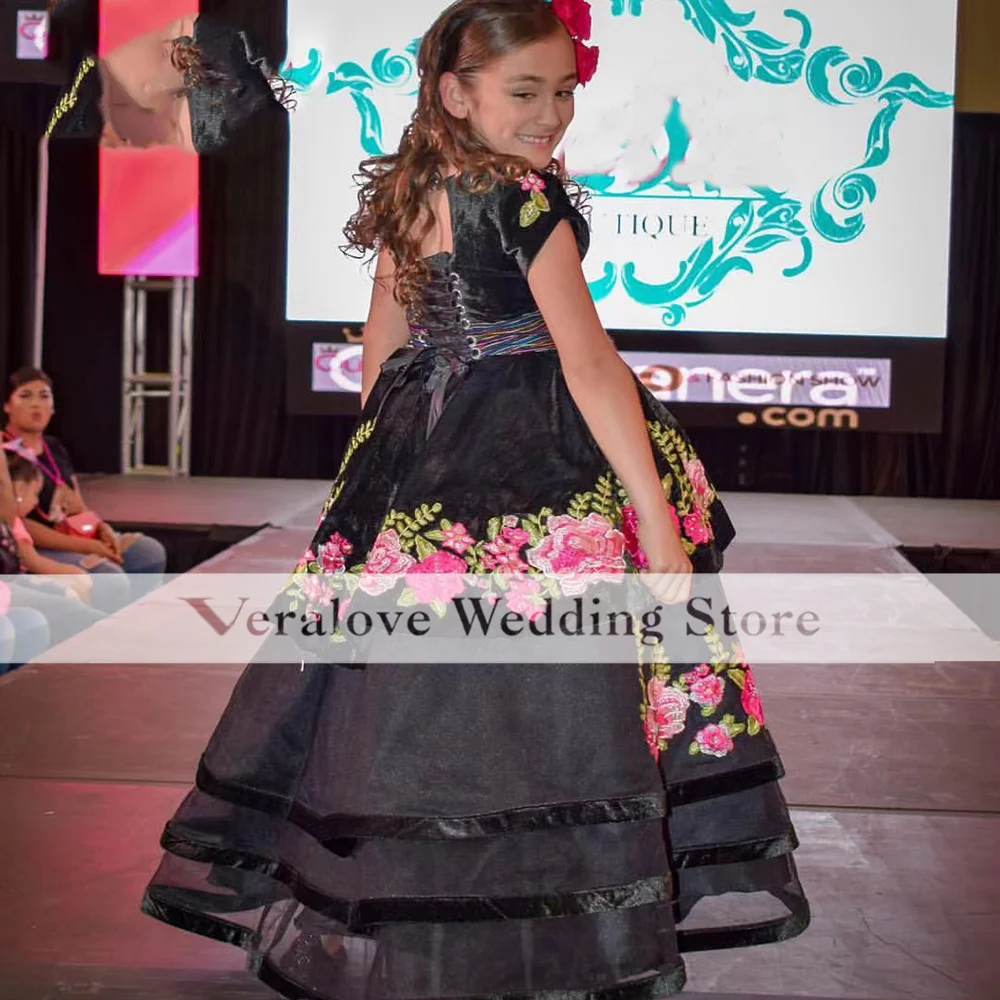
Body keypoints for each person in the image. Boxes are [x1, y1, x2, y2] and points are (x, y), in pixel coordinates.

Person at [141, 2, 809, 997]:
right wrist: (659, 526)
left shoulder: (418, 187)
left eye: (565, 91)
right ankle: (555, 900)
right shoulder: (526, 200)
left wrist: (392, 470)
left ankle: (434, 899)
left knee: (425, 691)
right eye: (526, 92)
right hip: (537, 454)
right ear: (457, 93)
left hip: (430, 448)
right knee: (556, 691)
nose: (552, 113)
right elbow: (587, 364)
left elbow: (382, 349)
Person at [3, 367, 167, 611]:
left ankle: (131, 615)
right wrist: (88, 547)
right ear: (7, 406)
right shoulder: (6, 453)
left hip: (72, 535)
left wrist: (102, 529)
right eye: (25, 396)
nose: (36, 404)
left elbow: (76, 505)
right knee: (108, 578)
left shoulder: (53, 447)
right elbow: (17, 524)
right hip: (37, 545)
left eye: (44, 396)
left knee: (148, 552)